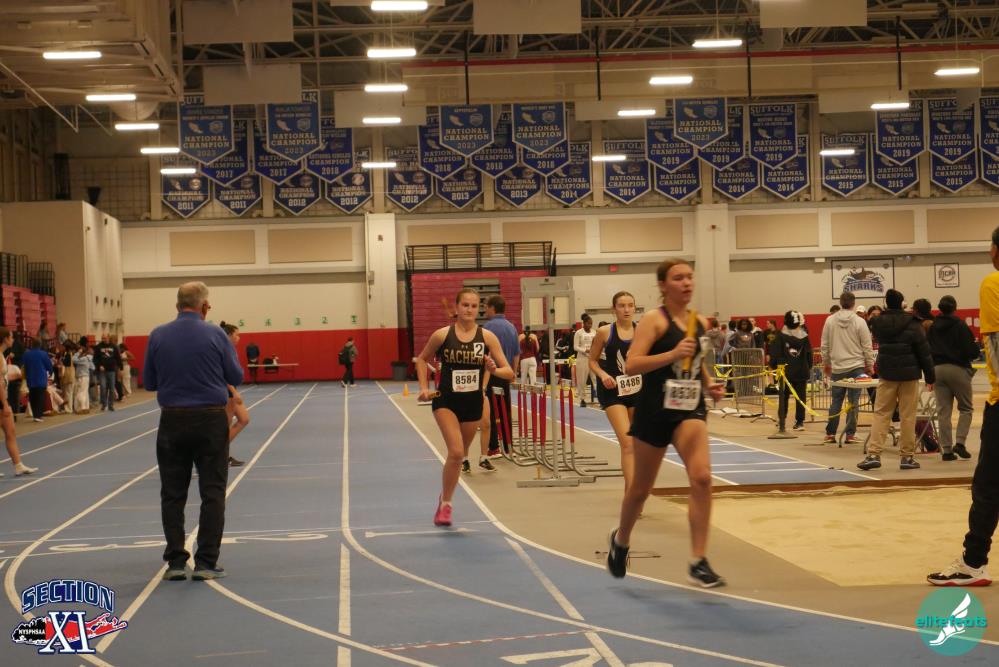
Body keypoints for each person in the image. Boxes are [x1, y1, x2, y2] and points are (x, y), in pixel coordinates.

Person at [607, 259, 726, 587]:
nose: (686, 283)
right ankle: (621, 540)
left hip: (689, 409)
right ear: (663, 285)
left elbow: (695, 362)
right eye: (678, 278)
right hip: (655, 410)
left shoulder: (699, 321)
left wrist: (709, 384)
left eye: (690, 277)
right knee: (640, 490)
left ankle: (698, 560)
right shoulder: (653, 321)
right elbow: (632, 365)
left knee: (702, 477)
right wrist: (672, 354)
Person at [143, 282, 244, 581]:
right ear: (205, 306)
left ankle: (175, 561)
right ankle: (206, 562)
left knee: (172, 493)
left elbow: (149, 382)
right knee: (212, 491)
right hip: (210, 419)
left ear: (177, 305)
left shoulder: (157, 335)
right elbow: (236, 375)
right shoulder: (215, 334)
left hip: (172, 420)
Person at [929, 226, 999, 586]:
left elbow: (995, 343)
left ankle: (973, 563)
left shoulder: (993, 284)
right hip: (961, 373)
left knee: (988, 485)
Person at [416, 288, 514, 527]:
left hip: (473, 404)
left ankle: (444, 497)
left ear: (478, 309)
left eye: (474, 306)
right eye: (465, 305)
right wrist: (423, 387)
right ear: (457, 307)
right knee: (457, 452)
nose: (469, 310)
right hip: (446, 401)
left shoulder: (487, 337)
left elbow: (509, 372)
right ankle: (446, 505)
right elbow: (421, 359)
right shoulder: (442, 335)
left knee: (458, 457)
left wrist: (493, 370)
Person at [857, 289, 935, 471]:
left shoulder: (878, 322)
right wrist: (930, 376)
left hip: (887, 374)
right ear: (902, 303)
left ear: (886, 303)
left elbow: (876, 333)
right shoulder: (914, 323)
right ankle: (907, 457)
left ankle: (873, 454)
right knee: (908, 416)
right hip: (909, 375)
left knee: (881, 414)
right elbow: (924, 352)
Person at [588, 291, 639, 494]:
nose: (626, 310)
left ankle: (632, 493)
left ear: (635, 308)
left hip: (637, 391)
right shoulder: (605, 332)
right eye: (622, 305)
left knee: (636, 444)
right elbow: (592, 361)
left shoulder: (642, 331)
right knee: (627, 443)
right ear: (613, 309)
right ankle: (632, 494)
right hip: (613, 391)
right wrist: (603, 375)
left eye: (630, 305)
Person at [927, 296, 979, 462]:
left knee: (943, 412)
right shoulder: (960, 325)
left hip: (937, 370)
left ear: (940, 308)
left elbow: (927, 348)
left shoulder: (933, 327)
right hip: (958, 369)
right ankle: (960, 443)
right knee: (966, 408)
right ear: (955, 308)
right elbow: (971, 350)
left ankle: (947, 450)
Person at [821, 291, 875, 445]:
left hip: (838, 367)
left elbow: (824, 344)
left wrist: (826, 363)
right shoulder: (860, 321)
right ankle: (850, 435)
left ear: (840, 302)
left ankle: (830, 434)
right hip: (856, 367)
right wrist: (870, 365)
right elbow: (867, 345)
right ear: (853, 303)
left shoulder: (830, 320)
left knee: (836, 401)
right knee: (853, 402)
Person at [480, 295, 519, 461]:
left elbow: (484, 355)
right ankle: (508, 446)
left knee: (490, 411)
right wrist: (513, 373)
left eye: (486, 307)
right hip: (506, 374)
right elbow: (516, 354)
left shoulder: (487, 328)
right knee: (505, 410)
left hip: (491, 374)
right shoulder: (512, 327)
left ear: (492, 308)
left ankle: (494, 447)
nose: (485, 310)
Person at [0, 328, 38, 477]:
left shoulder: (2, 356)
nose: (13, 340)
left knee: (11, 432)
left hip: (3, 399)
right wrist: (4, 404)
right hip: (1, 401)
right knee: (10, 432)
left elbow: (2, 379)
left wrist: (11, 376)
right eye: (11, 337)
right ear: (5, 339)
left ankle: (18, 465)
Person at [769, 311, 813, 433]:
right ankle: (799, 422)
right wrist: (808, 367)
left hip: (785, 372)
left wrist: (773, 366)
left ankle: (781, 420)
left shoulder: (780, 336)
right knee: (800, 398)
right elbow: (809, 354)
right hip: (801, 371)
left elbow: (775, 353)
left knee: (783, 397)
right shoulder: (804, 336)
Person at [220, 322, 249, 467]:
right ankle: (220, 456)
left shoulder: (231, 349)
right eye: (237, 335)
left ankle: (220, 453)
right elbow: (222, 374)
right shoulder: (223, 349)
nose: (239, 338)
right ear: (229, 335)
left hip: (231, 391)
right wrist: (234, 392)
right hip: (226, 393)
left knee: (244, 419)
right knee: (224, 428)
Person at [21, 339, 52, 423]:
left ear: (32, 345)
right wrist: (50, 372)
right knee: (40, 397)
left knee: (32, 397)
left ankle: (35, 415)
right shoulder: (44, 354)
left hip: (30, 379)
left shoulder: (27, 354)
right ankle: (38, 415)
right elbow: (49, 365)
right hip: (41, 379)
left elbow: (23, 365)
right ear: (40, 345)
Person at [93, 334, 121, 412]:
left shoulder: (113, 346)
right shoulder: (98, 347)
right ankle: (104, 404)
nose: (103, 340)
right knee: (103, 387)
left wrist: (120, 368)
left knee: (112, 388)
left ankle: (111, 405)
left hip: (111, 370)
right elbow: (95, 359)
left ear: (108, 338)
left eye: (105, 338)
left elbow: (118, 358)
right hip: (102, 371)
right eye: (102, 338)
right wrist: (99, 366)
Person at [573, 314, 596, 407]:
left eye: (591, 323)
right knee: (582, 380)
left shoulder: (594, 332)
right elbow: (575, 347)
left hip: (593, 358)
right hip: (582, 359)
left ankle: (601, 399)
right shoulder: (578, 333)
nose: (590, 325)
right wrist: (585, 350)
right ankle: (582, 399)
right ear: (584, 323)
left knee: (596, 379)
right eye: (588, 323)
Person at [72, 342, 94, 414]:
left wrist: (78, 353)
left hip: (82, 377)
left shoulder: (84, 359)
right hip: (86, 376)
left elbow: (74, 360)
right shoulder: (89, 359)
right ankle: (86, 407)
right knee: (85, 392)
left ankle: (82, 407)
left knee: (80, 392)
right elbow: (93, 367)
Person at [59, 342, 77, 414]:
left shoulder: (68, 355)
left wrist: (61, 361)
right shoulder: (71, 355)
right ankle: (70, 408)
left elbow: (65, 364)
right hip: (71, 375)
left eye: (63, 347)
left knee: (68, 392)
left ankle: (68, 409)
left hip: (69, 376)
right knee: (70, 392)